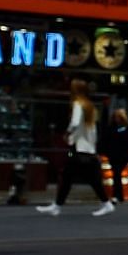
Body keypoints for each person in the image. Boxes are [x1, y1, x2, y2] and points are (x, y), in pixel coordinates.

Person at [38, 80, 116, 217]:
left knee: (76, 177)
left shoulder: (78, 104)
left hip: (78, 148)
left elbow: (74, 122)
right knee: (74, 177)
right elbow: (93, 130)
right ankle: (58, 205)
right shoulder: (90, 106)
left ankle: (105, 203)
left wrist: (67, 133)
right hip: (87, 148)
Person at [102, 108, 128, 202]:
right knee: (116, 174)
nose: (116, 119)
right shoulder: (111, 128)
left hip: (123, 154)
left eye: (118, 117)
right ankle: (118, 195)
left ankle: (117, 194)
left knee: (117, 173)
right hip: (113, 154)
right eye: (115, 117)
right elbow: (106, 141)